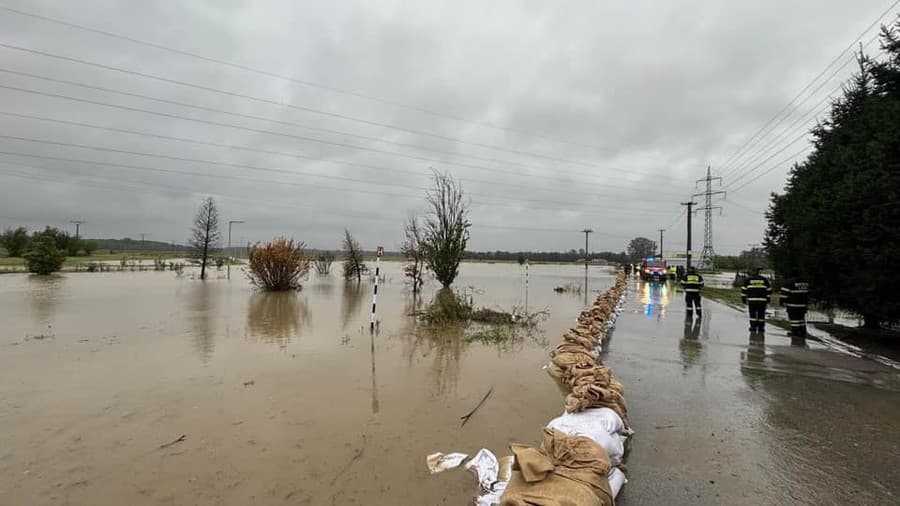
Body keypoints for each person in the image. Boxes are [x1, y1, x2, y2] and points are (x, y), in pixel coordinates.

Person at [741, 267, 772, 332]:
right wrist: (768, 299)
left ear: (753, 271)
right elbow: (769, 290)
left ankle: (753, 327)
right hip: (762, 301)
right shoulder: (764, 279)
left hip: (752, 301)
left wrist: (743, 299)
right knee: (761, 315)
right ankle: (761, 328)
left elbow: (743, 290)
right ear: (758, 272)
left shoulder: (748, 279)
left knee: (752, 315)